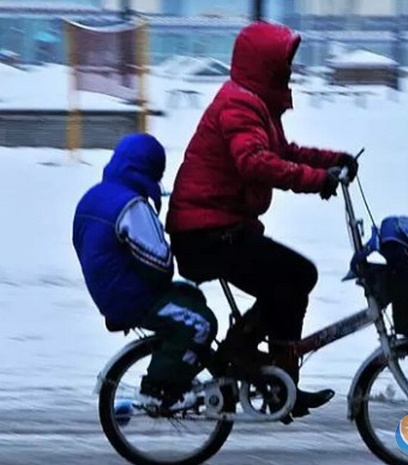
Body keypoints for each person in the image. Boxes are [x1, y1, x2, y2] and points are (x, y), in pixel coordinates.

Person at [166, 22, 358, 420]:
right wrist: (316, 181)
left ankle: (278, 381)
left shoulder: (253, 102)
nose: (289, 70)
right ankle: (243, 357)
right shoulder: (239, 104)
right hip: (206, 234)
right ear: (265, 64)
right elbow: (254, 162)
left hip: (219, 227)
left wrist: (331, 161)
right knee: (295, 275)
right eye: (284, 63)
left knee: (295, 277)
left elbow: (283, 151)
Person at [72, 133, 218, 408]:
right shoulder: (131, 205)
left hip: (108, 291)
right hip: (132, 297)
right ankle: (159, 388)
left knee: (190, 298)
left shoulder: (94, 195)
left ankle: (173, 362)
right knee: (203, 322)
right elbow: (161, 264)